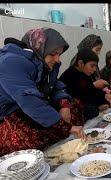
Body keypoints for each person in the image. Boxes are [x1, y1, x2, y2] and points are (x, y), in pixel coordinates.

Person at [0, 28, 85, 156]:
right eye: (53, 54)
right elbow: (31, 103)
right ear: (39, 48)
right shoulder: (11, 63)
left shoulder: (41, 63)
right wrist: (66, 127)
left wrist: (64, 104)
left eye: (59, 54)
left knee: (76, 106)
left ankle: (58, 139)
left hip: (30, 109)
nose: (57, 59)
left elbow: (55, 85)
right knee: (30, 137)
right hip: (9, 115)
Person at [60, 49, 111, 121]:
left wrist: (104, 96)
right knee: (91, 110)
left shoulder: (85, 73)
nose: (95, 69)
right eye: (92, 66)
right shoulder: (70, 75)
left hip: (85, 102)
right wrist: (99, 103)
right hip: (70, 107)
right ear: (81, 63)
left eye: (95, 66)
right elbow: (81, 95)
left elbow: (92, 91)